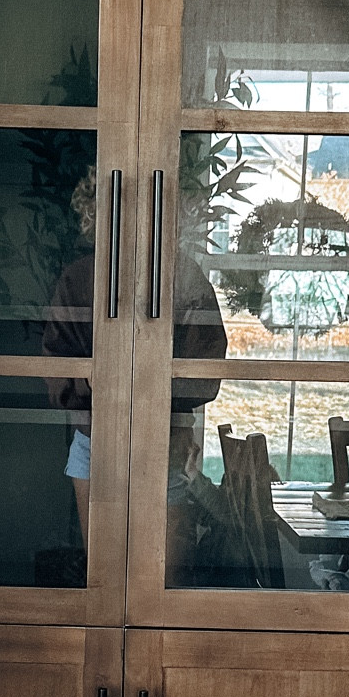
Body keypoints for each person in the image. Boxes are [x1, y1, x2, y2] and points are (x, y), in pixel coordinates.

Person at [44, 169, 227, 566]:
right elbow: (56, 367)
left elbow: (206, 370)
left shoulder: (186, 277)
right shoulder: (78, 279)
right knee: (104, 578)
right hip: (95, 445)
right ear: (96, 215)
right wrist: (88, 374)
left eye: (145, 214)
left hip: (164, 446)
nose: (132, 225)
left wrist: (158, 384)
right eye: (117, 213)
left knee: (161, 582)